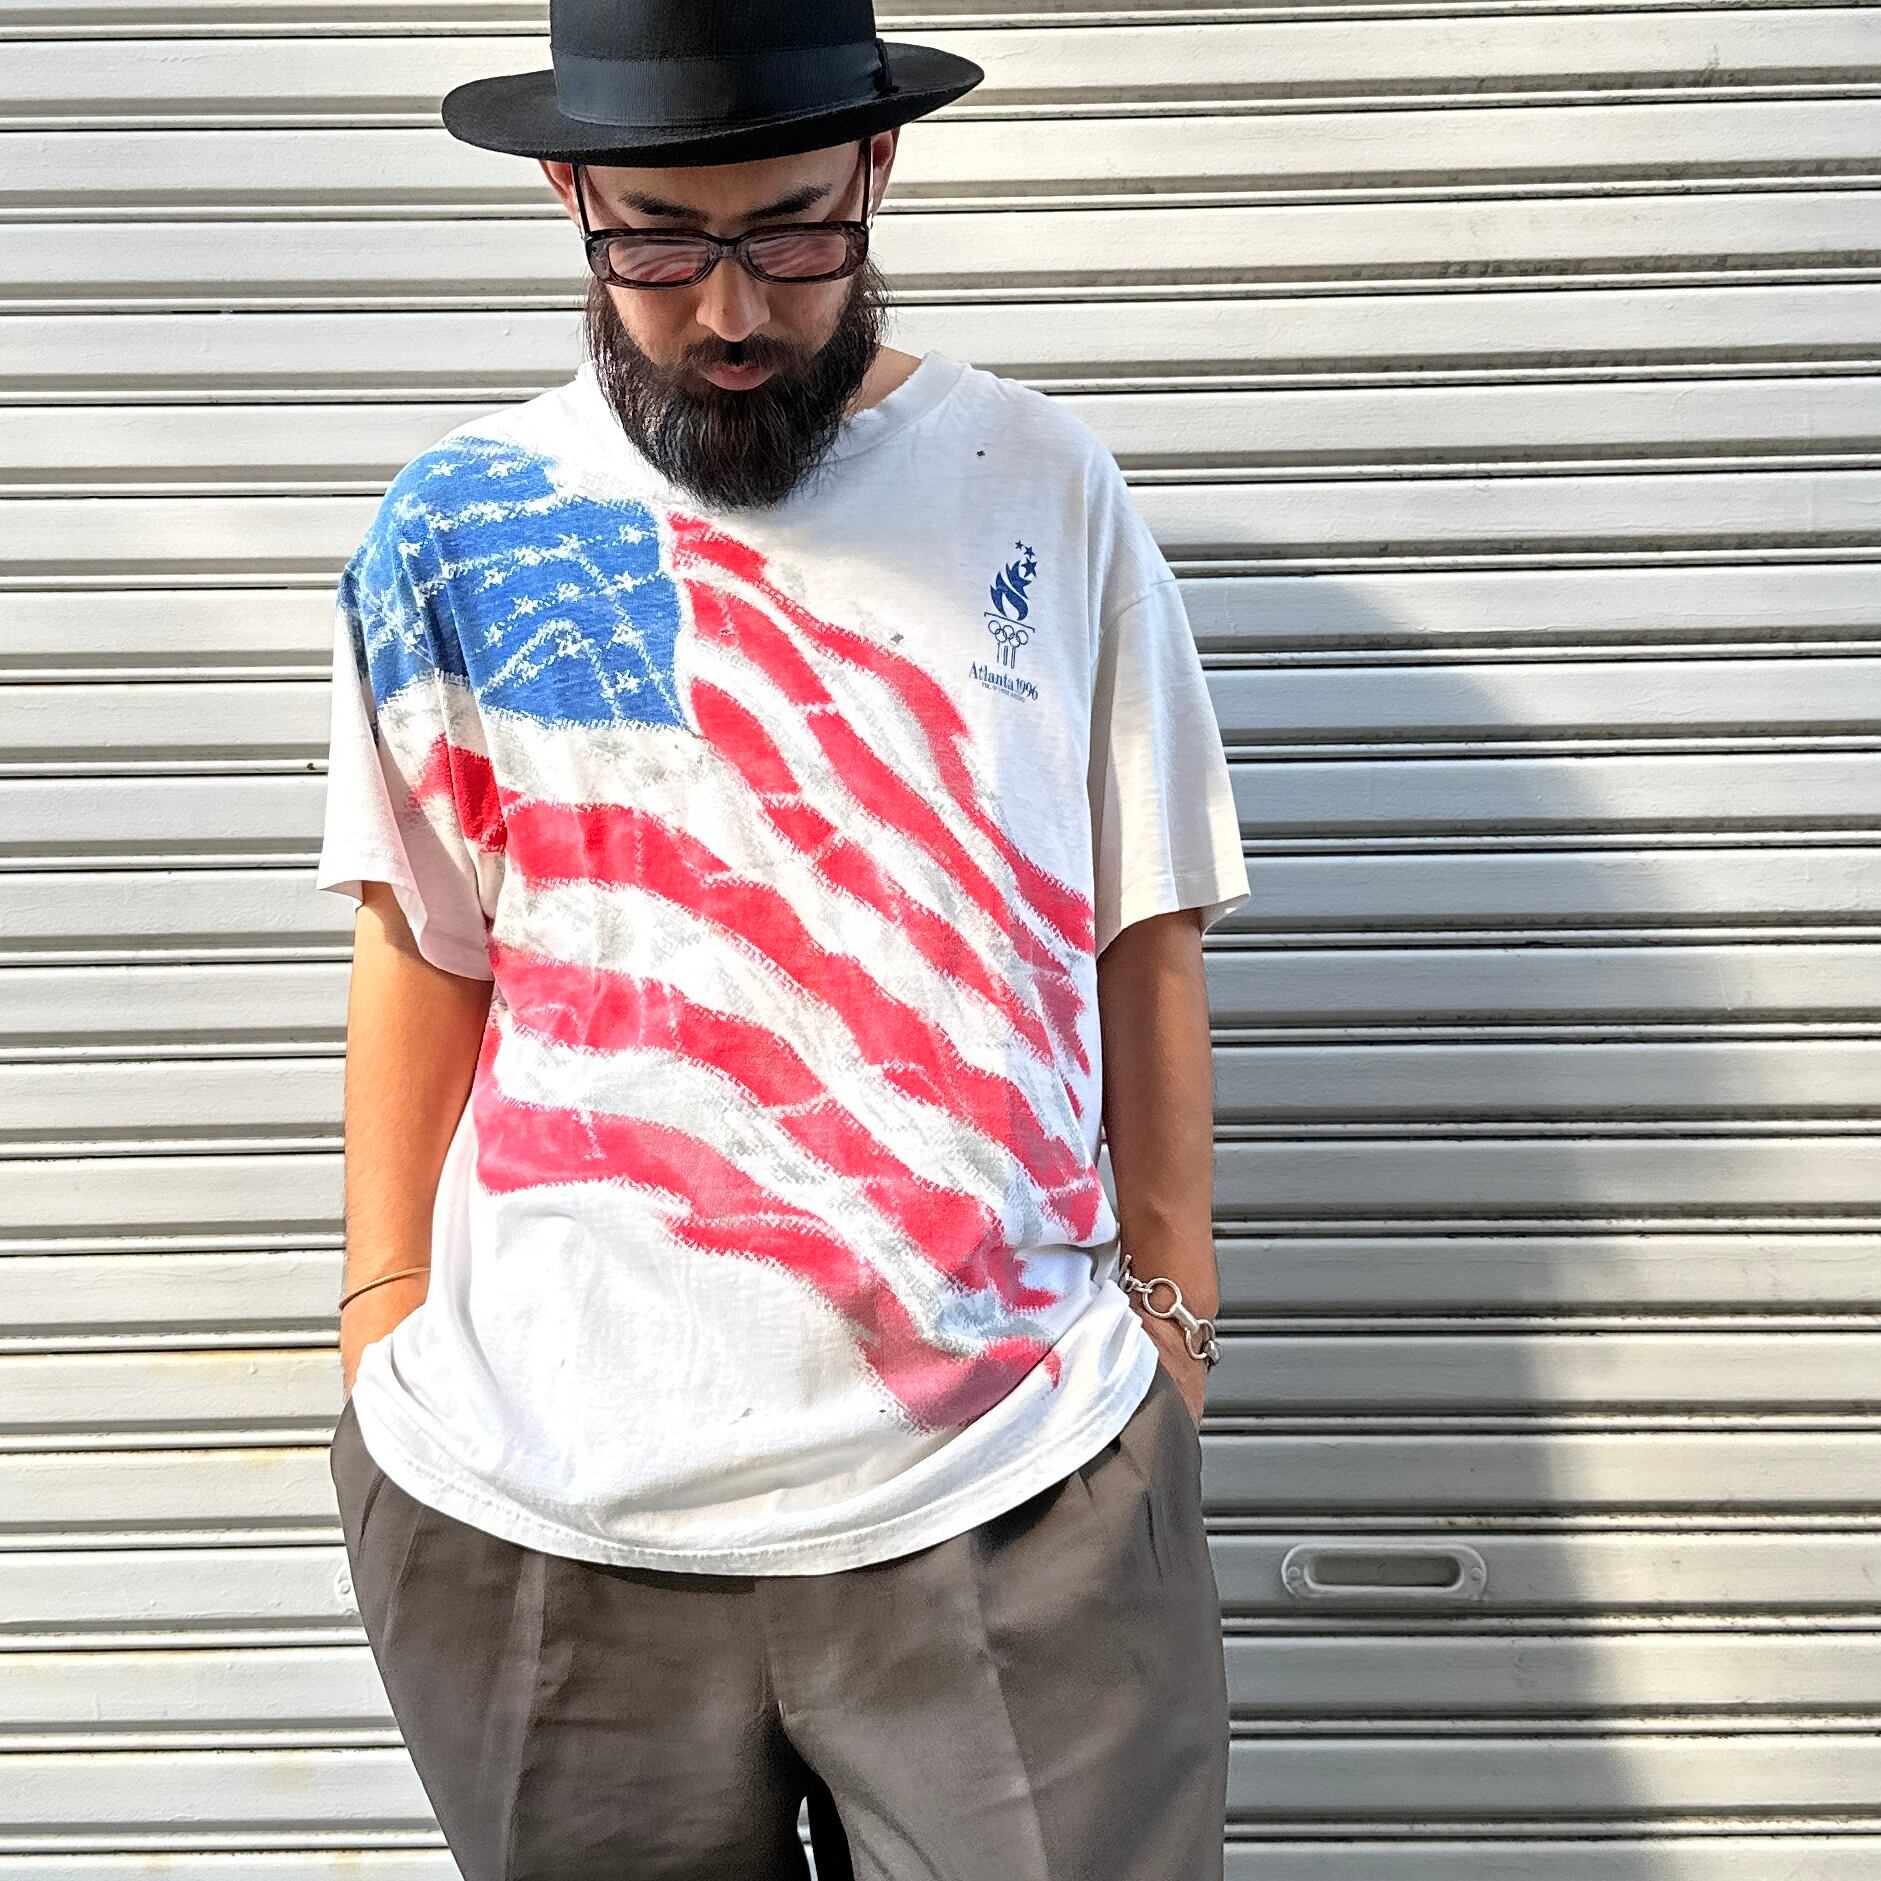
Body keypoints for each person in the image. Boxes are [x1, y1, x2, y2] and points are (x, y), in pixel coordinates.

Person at [314, 0, 1250, 1874]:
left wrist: (1170, 1321)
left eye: (793, 232)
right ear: (571, 193)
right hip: (540, 1513)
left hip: (1016, 1486)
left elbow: (1142, 920)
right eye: (660, 242)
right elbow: (425, 946)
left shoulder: (1038, 489)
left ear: (875, 170)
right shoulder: (460, 525)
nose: (732, 308)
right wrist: (378, 1320)